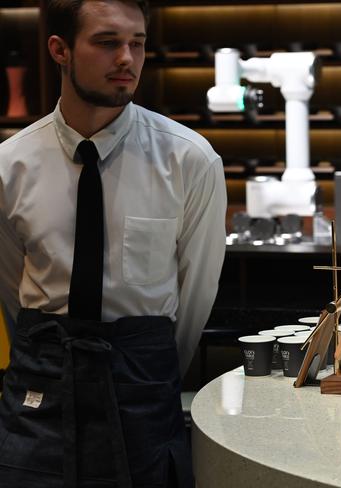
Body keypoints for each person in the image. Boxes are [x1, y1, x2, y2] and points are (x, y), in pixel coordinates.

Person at [0, 0, 226, 486]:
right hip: (40, 383)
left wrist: (146, 365)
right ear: (60, 49)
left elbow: (196, 295)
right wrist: (50, 354)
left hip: (141, 384)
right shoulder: (10, 166)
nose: (127, 58)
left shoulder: (189, 160)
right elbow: (10, 288)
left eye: (137, 44)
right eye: (107, 43)